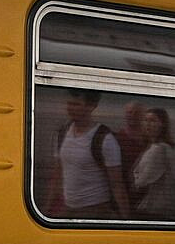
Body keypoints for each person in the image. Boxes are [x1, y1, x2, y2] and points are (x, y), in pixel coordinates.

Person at [46, 89, 131, 220]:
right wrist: (46, 210)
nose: (70, 108)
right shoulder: (61, 134)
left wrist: (127, 221)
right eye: (69, 104)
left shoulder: (104, 139)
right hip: (68, 207)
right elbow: (57, 175)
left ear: (91, 106)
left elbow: (117, 184)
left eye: (76, 104)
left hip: (95, 209)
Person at [130, 106, 175, 220]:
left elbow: (141, 181)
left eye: (152, 121)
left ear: (162, 124)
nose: (148, 124)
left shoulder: (159, 149)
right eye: (146, 120)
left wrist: (134, 179)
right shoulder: (152, 147)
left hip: (155, 209)